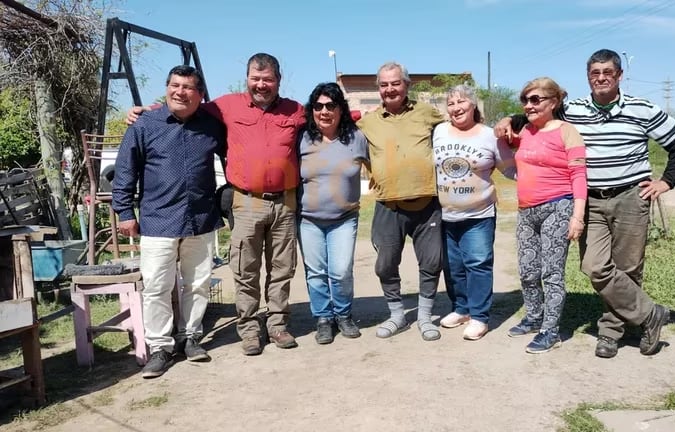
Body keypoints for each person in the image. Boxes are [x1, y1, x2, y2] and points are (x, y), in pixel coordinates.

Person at [495, 49, 675, 358]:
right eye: (595, 73)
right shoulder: (572, 110)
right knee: (594, 266)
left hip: (631, 196)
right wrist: (509, 118)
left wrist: (666, 181)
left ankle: (611, 332)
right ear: (588, 77)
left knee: (628, 268)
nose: (601, 78)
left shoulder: (642, 109)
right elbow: (537, 114)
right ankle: (651, 313)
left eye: (607, 73)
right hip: (592, 200)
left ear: (619, 76)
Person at [128, 53, 306, 356]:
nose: (261, 84)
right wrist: (147, 110)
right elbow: (185, 104)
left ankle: (277, 324)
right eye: (255, 78)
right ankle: (249, 329)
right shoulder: (225, 105)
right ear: (247, 77)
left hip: (285, 203)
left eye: (267, 79)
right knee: (244, 269)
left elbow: (329, 118)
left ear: (278, 80)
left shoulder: (296, 111)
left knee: (281, 268)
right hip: (246, 201)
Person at [113, 65, 226, 378]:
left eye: (188, 87)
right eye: (175, 85)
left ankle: (191, 337)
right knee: (156, 286)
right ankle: (161, 347)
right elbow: (125, 170)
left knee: (199, 283)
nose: (181, 92)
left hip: (200, 219)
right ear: (166, 89)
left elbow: (233, 159)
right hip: (158, 220)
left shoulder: (212, 126)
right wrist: (124, 212)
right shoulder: (144, 124)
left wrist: (228, 198)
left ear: (200, 95)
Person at [357, 62, 445, 341]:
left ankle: (424, 317)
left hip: (427, 203)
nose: (390, 89)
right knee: (385, 264)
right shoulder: (368, 121)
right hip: (388, 205)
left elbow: (459, 124)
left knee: (432, 261)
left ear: (406, 85)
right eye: (384, 84)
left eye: (395, 83)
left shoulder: (426, 113)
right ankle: (397, 315)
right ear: (378, 88)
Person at [505, 78, 587, 354]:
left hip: (558, 206)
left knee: (552, 272)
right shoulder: (525, 131)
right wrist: (507, 119)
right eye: (525, 100)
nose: (529, 105)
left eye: (536, 99)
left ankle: (550, 331)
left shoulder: (567, 132)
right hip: (526, 210)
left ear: (554, 102)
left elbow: (578, 175)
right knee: (528, 271)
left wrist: (578, 216)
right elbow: (497, 133)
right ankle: (533, 316)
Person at [432, 84, 516, 341]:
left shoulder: (489, 136)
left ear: (473, 105)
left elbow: (511, 168)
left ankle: (479, 317)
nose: (456, 108)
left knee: (478, 264)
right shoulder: (439, 132)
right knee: (453, 266)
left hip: (479, 214)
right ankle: (462, 309)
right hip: (446, 214)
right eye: (451, 103)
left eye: (461, 102)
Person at [297, 83, 369, 344]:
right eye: (318, 106)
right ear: (311, 109)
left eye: (331, 106)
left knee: (340, 271)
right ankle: (323, 318)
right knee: (315, 272)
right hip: (308, 219)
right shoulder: (303, 139)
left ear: (341, 109)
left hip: (344, 219)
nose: (324, 111)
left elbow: (379, 165)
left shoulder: (356, 138)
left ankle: (343, 315)